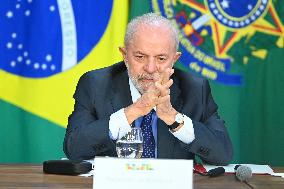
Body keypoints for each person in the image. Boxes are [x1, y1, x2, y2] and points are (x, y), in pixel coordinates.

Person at [63, 13, 233, 165]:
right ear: (124, 55)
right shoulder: (95, 84)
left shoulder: (195, 88)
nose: (151, 68)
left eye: (161, 58)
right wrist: (134, 110)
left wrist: (173, 118)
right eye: (140, 57)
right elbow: (74, 149)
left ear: (174, 59)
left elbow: (223, 154)